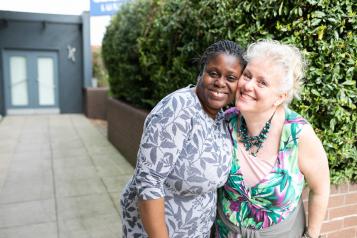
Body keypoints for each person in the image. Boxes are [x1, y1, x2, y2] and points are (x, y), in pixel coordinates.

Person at [120, 40, 246, 237]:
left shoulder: (222, 117)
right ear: (201, 73)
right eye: (213, 73)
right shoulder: (179, 108)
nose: (220, 82)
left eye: (231, 77)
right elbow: (148, 182)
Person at [213, 40, 330, 238]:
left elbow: (321, 188)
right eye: (247, 75)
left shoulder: (297, 134)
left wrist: (312, 235)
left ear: (279, 97)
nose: (248, 85)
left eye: (262, 82)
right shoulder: (226, 122)